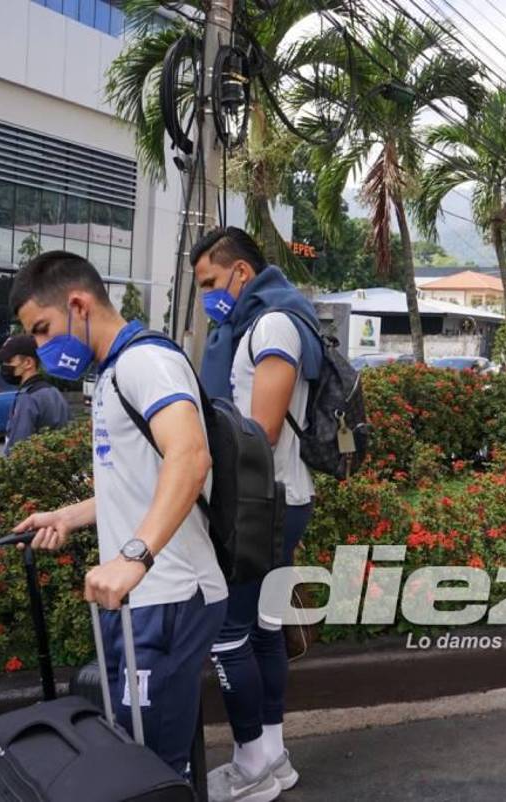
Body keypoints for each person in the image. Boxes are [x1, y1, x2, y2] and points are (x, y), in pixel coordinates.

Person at [10, 251, 228, 779]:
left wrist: (135, 555)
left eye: (42, 330)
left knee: (153, 763)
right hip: (140, 597)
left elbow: (190, 456)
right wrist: (66, 516)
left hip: (168, 594)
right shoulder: (111, 372)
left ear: (79, 305)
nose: (39, 349)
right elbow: (137, 484)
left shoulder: (145, 362)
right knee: (138, 752)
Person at [193, 227, 323, 802]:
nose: (207, 297)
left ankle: (250, 766)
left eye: (210, 283)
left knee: (228, 636)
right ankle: (272, 756)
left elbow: (261, 433)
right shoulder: (253, 324)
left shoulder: (272, 325)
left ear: (241, 274)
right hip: (273, 501)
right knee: (266, 631)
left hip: (259, 505)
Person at [0, 333, 71, 454]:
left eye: (8, 360)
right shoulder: (54, 392)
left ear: (28, 363)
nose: (4, 366)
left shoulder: (27, 398)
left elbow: (17, 449)